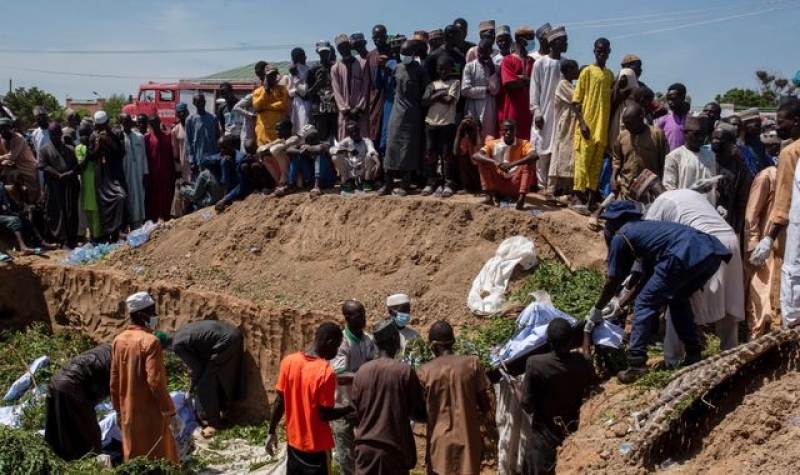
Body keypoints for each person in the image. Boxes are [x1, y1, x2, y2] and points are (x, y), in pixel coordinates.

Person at [585, 203, 731, 383]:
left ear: (618, 221)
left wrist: (598, 308)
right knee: (678, 299)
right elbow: (646, 278)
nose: (606, 226)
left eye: (609, 222)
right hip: (710, 254)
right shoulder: (647, 231)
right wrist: (620, 303)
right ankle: (694, 352)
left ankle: (636, 364)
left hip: (682, 253)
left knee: (645, 304)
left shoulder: (621, 235)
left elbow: (613, 279)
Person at [644, 187, 745, 366]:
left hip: (705, 243)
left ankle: (672, 360)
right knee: (729, 297)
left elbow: (648, 248)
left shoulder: (659, 203)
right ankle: (730, 353)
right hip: (730, 239)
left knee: (678, 298)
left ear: (649, 196)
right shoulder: (692, 194)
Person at [265, 322, 354, 475]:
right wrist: (349, 408)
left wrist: (271, 431)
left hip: (293, 443)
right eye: (337, 346)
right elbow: (324, 414)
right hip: (317, 447)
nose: (336, 350)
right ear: (330, 343)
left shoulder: (289, 362)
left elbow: (280, 400)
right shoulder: (325, 372)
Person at [111, 291, 182, 463]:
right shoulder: (150, 342)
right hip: (150, 415)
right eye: (152, 312)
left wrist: (118, 410)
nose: (155, 316)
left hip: (128, 413)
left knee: (136, 461)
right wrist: (171, 413)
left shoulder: (118, 340)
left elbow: (114, 380)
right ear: (142, 315)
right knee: (160, 459)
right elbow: (155, 382)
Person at [351, 319, 425, 475]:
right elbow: (416, 412)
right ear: (394, 339)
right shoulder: (404, 372)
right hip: (393, 448)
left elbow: (356, 412)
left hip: (365, 449)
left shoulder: (361, 372)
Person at [750, 98, 800, 328]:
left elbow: (784, 198)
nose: (777, 127)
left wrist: (769, 237)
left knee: (787, 285)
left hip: (791, 233)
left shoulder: (790, 152)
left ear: (796, 122)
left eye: (781, 122)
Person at [417, 320, 491, 475]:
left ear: (434, 345)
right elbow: (485, 405)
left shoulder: (424, 372)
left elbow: (420, 412)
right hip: (469, 441)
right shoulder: (472, 364)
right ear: (453, 342)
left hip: (439, 445)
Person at [522, 318, 594, 475]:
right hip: (572, 436)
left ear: (548, 341)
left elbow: (527, 405)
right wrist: (586, 333)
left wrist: (517, 391)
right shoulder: (581, 364)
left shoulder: (535, 364)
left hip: (543, 441)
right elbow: (588, 358)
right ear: (571, 341)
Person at [162, 320, 243, 437]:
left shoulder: (177, 345)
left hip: (225, 342)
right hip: (232, 333)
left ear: (165, 347)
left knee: (204, 385)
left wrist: (193, 385)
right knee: (213, 376)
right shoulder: (180, 333)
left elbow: (198, 368)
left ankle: (215, 424)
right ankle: (224, 408)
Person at [330, 300, 376, 475]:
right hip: (343, 406)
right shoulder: (341, 343)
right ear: (347, 318)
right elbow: (341, 376)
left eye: (364, 314)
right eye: (359, 316)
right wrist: (366, 375)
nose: (363, 318)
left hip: (363, 407)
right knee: (347, 454)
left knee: (364, 453)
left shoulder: (368, 340)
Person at [44, 344, 112, 461]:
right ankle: (90, 466)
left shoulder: (110, 350)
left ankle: (59, 461)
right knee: (89, 436)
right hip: (72, 387)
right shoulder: (120, 361)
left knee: (61, 431)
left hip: (57, 381)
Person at [572, 38, 614, 213]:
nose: (601, 53)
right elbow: (576, 101)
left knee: (596, 165)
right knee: (582, 162)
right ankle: (576, 198)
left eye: (604, 51)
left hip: (602, 127)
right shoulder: (587, 72)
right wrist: (582, 122)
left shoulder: (610, 75)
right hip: (587, 125)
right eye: (598, 50)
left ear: (609, 52)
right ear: (594, 51)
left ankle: (590, 200)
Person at [382, 39, 429, 196]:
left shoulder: (419, 70)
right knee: (392, 147)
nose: (403, 55)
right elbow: (396, 89)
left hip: (413, 113)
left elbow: (426, 90)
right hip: (397, 112)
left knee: (408, 149)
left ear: (413, 54)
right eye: (402, 52)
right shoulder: (397, 68)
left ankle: (405, 183)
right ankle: (388, 183)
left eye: (407, 53)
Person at [530, 26, 567, 192]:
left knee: (557, 148)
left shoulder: (566, 64)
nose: (566, 44)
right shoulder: (540, 63)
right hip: (544, 111)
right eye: (563, 41)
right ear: (554, 43)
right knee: (542, 148)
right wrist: (536, 111)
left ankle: (554, 186)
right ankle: (541, 184)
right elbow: (534, 89)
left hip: (560, 113)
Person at [472, 119, 539, 209]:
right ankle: (489, 197)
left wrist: (513, 164)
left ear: (516, 131)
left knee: (529, 162)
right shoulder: (493, 143)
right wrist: (496, 163)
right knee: (483, 162)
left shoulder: (523, 143)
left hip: (515, 184)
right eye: (506, 130)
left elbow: (535, 155)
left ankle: (521, 198)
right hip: (497, 184)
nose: (508, 132)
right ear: (502, 131)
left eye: (511, 130)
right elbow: (476, 155)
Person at [422, 56, 461, 197]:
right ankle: (431, 181)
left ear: (451, 69)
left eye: (445, 68)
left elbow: (450, 99)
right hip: (431, 122)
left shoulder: (455, 83)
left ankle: (449, 183)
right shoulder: (432, 85)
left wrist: (434, 97)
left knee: (447, 154)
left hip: (447, 123)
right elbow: (424, 101)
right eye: (440, 68)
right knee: (430, 153)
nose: (442, 70)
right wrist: (440, 93)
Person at [610, 104, 669, 198]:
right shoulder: (622, 136)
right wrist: (613, 178)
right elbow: (617, 159)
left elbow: (665, 162)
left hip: (649, 193)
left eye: (629, 123)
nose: (627, 126)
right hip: (626, 191)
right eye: (625, 123)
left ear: (641, 118)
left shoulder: (657, 135)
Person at [38, 122, 80, 248]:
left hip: (70, 185)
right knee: (59, 212)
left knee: (71, 212)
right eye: (52, 135)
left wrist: (70, 173)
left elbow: (77, 166)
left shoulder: (70, 149)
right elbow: (42, 165)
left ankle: (72, 238)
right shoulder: (44, 149)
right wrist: (58, 175)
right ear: (49, 135)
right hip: (54, 187)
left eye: (57, 135)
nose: (55, 137)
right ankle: (63, 240)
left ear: (61, 134)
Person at [88, 111, 128, 241]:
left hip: (115, 174)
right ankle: (106, 235)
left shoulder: (117, 133)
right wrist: (99, 145)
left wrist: (111, 142)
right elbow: (91, 157)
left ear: (107, 123)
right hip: (102, 175)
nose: (100, 129)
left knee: (121, 197)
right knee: (103, 205)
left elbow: (121, 153)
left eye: (103, 126)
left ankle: (117, 232)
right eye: (98, 126)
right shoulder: (93, 136)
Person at [662, 115, 717, 203]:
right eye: (696, 134)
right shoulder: (674, 156)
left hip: (707, 209)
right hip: (685, 209)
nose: (700, 138)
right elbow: (669, 188)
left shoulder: (710, 155)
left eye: (703, 134)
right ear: (685, 133)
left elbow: (713, 186)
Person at [546, 59, 579, 204]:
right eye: (576, 69)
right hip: (565, 125)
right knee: (560, 155)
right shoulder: (563, 85)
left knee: (569, 156)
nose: (578, 72)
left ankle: (565, 191)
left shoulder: (569, 84)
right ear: (568, 70)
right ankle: (551, 190)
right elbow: (577, 98)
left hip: (572, 125)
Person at [711, 123, 752, 237]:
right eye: (713, 138)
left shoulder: (740, 168)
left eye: (719, 139)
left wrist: (738, 229)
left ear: (731, 143)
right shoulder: (706, 161)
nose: (715, 141)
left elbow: (742, 201)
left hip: (728, 225)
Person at [331, 35, 369, 141]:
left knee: (364, 138)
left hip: (360, 112)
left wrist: (359, 108)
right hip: (345, 113)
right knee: (345, 139)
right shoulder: (335, 68)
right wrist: (346, 111)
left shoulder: (363, 63)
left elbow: (365, 87)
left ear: (350, 47)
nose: (344, 50)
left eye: (346, 46)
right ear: (338, 50)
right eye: (341, 48)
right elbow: (336, 91)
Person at [462, 39, 501, 141]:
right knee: (472, 139)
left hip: (489, 108)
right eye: (480, 51)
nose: (481, 54)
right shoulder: (470, 67)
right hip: (472, 107)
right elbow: (465, 90)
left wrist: (492, 70)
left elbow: (495, 90)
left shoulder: (495, 68)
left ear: (490, 52)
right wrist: (486, 90)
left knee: (489, 139)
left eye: (485, 52)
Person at [501, 27, 535, 141]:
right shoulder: (508, 60)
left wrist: (521, 79)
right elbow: (510, 83)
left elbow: (536, 83)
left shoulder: (532, 62)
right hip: (513, 108)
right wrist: (527, 81)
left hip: (529, 109)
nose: (532, 42)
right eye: (530, 39)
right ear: (521, 40)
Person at [332, 121, 380, 192]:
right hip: (351, 170)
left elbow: (372, 151)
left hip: (363, 170)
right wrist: (347, 150)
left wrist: (378, 162)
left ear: (359, 130)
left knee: (370, 156)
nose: (354, 134)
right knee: (335, 157)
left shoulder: (366, 141)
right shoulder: (346, 141)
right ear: (348, 133)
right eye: (351, 132)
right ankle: (348, 181)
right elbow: (332, 150)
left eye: (356, 131)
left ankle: (366, 181)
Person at [144, 114, 176, 222]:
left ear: (159, 122)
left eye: (156, 122)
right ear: (149, 125)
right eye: (152, 123)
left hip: (166, 172)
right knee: (154, 197)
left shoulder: (167, 136)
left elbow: (171, 155)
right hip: (153, 173)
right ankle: (155, 219)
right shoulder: (147, 138)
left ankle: (166, 217)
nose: (155, 125)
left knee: (166, 195)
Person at [0, 117, 40, 201]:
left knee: (33, 190)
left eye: (5, 129)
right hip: (14, 167)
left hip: (27, 166)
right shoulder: (2, 139)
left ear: (11, 129)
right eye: (1, 130)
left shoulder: (18, 138)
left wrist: (3, 158)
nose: (3, 132)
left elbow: (12, 156)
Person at [366, 25, 392, 151]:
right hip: (375, 100)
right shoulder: (370, 56)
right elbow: (368, 82)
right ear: (372, 38)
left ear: (386, 36)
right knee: (375, 132)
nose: (379, 39)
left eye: (381, 36)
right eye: (376, 37)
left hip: (391, 99)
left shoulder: (393, 52)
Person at [120, 114, 148, 229]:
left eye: (128, 121)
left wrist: (145, 173)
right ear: (121, 122)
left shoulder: (139, 137)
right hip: (125, 174)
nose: (127, 124)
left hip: (138, 175)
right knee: (126, 201)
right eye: (124, 122)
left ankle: (136, 228)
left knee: (138, 199)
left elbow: (144, 156)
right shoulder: (119, 137)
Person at [307, 41, 339, 144]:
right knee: (322, 140)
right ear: (317, 52)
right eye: (322, 52)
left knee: (338, 139)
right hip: (320, 111)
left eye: (326, 52)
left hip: (335, 110)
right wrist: (318, 84)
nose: (324, 54)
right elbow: (308, 94)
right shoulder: (313, 69)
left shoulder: (336, 67)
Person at [185, 93, 220, 178]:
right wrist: (191, 160)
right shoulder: (190, 119)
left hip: (212, 157)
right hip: (198, 158)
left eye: (202, 102)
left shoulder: (213, 118)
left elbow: (217, 138)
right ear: (194, 103)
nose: (200, 104)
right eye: (197, 102)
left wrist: (218, 156)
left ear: (205, 102)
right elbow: (188, 141)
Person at [254, 64, 290, 146]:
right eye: (270, 75)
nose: (273, 77)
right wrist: (266, 91)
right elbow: (257, 106)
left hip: (276, 130)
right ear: (265, 76)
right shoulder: (258, 91)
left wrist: (266, 106)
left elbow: (282, 105)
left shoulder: (282, 89)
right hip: (263, 130)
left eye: (274, 75)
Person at [424, 25, 466, 90]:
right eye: (459, 37)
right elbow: (427, 81)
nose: (461, 39)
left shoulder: (460, 57)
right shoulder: (433, 56)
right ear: (450, 35)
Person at [737, 108, 772, 177]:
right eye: (757, 125)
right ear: (744, 125)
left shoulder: (760, 145)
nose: (760, 128)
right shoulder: (734, 146)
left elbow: (769, 166)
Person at [386, 293, 421, 361]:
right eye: (402, 311)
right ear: (391, 312)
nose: (406, 314)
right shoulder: (382, 337)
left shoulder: (414, 336)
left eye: (408, 310)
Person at [655, 83, 690, 151]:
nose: (670, 102)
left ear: (683, 97)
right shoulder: (662, 120)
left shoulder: (692, 120)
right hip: (669, 159)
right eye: (668, 99)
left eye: (673, 99)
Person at [287, 48, 312, 135]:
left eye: (295, 57)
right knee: (296, 129)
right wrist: (296, 92)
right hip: (296, 104)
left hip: (307, 103)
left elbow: (304, 92)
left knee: (305, 128)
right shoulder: (292, 71)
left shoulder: (309, 70)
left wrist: (295, 77)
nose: (293, 60)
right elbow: (289, 92)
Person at [171, 103, 191, 184]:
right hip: (183, 166)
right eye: (179, 112)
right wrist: (178, 171)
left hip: (194, 165)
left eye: (183, 111)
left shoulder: (193, 126)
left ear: (187, 112)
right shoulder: (175, 130)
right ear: (176, 114)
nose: (182, 114)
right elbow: (175, 154)